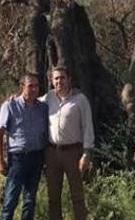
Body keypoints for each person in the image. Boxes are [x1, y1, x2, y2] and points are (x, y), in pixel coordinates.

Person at [42, 66, 94, 220]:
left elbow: (87, 126)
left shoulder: (80, 100)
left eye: (62, 77)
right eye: (56, 78)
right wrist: (15, 98)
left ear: (69, 79)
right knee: (53, 195)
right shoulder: (48, 98)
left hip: (73, 153)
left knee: (77, 195)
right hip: (52, 153)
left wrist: (86, 153)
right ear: (52, 81)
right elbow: (29, 101)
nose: (59, 81)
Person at [0, 73, 48, 220]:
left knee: (30, 200)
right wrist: (0, 160)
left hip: (37, 158)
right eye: (30, 86)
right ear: (22, 87)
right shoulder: (10, 106)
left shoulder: (43, 108)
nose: (34, 89)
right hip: (18, 159)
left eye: (37, 86)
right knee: (11, 199)